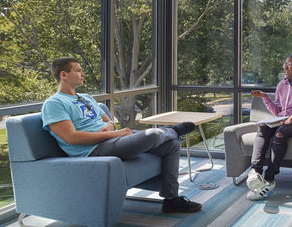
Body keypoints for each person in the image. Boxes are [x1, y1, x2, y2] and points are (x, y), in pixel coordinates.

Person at [42, 57, 202, 214]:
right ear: (64, 74)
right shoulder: (54, 103)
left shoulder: (86, 98)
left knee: (171, 145)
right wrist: (112, 133)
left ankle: (171, 201)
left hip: (112, 139)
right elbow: (71, 138)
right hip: (93, 150)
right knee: (152, 134)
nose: (82, 74)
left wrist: (109, 128)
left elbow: (108, 120)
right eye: (78, 70)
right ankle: (172, 130)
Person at [246, 53, 292, 200]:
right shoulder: (282, 85)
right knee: (264, 128)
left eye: (289, 64)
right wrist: (265, 97)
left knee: (281, 132)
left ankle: (269, 179)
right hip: (283, 119)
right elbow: (277, 111)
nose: (285, 66)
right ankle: (255, 171)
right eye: (285, 63)